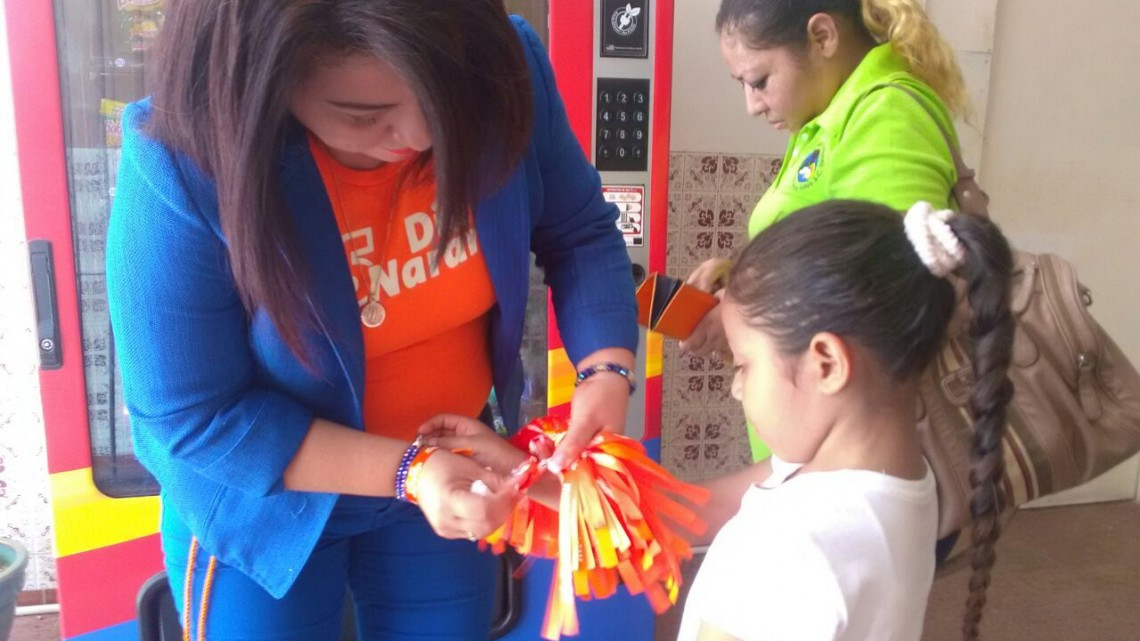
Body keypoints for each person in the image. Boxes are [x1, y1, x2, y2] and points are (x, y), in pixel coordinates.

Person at [105, 1, 637, 639]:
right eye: (363, 117)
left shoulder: (503, 66)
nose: (419, 135)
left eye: (442, 99)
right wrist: (409, 469)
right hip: (265, 503)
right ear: (264, 78)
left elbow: (578, 232)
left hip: (455, 473)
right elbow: (192, 418)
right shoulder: (182, 159)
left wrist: (606, 370)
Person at [683, 0, 974, 520]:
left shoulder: (886, 116)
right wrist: (740, 281)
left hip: (853, 460)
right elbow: (824, 249)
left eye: (759, 80)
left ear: (822, 37)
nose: (752, 104)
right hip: (819, 443)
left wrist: (739, 314)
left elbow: (889, 289)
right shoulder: (824, 121)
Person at [678, 200, 1014, 641]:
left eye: (743, 364)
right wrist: (597, 497)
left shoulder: (780, 549)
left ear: (827, 364)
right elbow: (724, 499)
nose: (736, 388)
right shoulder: (902, 479)